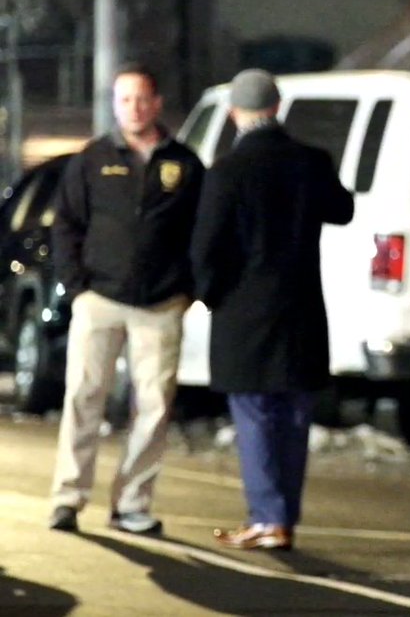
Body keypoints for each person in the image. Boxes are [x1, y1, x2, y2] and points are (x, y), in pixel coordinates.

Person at [190, 69, 354, 551]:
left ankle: (268, 518)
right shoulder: (310, 161)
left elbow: (206, 248)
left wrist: (211, 294)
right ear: (278, 108)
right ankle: (281, 515)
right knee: (294, 417)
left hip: (244, 314)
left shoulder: (226, 171)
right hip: (301, 309)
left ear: (233, 113)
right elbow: (342, 209)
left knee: (255, 416)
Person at [49, 62, 205, 534]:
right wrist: (77, 287)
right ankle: (68, 498)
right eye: (124, 100)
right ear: (114, 105)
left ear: (156, 104)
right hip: (100, 298)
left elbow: (202, 231)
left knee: (154, 405)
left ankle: (132, 505)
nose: (133, 108)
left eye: (141, 99)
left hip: (161, 305)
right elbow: (66, 226)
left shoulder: (185, 163)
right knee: (83, 396)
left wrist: (188, 290)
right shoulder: (92, 159)